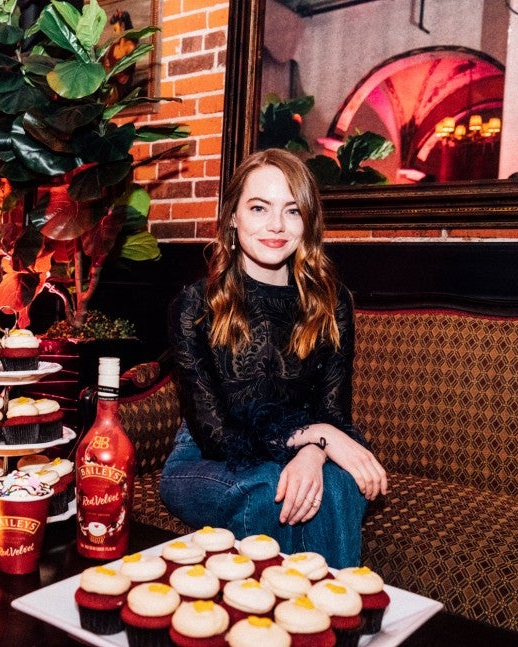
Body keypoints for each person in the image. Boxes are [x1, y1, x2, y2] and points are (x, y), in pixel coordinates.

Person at [159, 149, 387, 568]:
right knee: (269, 486)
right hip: (205, 459)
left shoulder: (332, 303)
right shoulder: (194, 305)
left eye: (292, 210)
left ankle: (318, 607)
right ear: (233, 216)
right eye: (259, 207)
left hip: (304, 446)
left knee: (337, 484)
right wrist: (316, 436)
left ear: (308, 222)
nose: (277, 225)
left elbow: (332, 414)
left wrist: (315, 449)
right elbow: (217, 436)